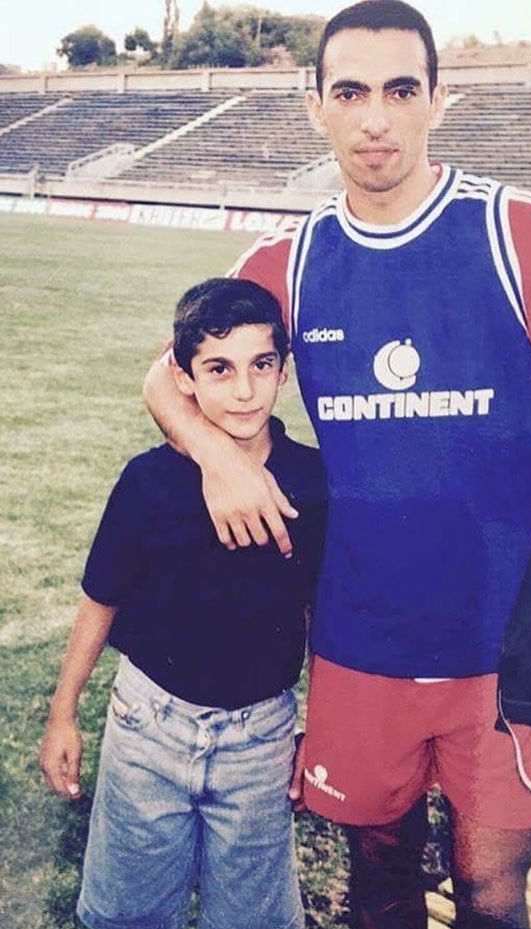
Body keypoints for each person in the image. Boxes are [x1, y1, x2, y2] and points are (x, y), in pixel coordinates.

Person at [143, 3, 531, 927]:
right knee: (377, 886)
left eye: (399, 90)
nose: (375, 117)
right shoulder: (292, 259)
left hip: (508, 646)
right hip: (359, 643)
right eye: (350, 92)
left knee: (491, 890)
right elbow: (168, 374)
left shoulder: (518, 233)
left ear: (437, 99)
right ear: (317, 107)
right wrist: (217, 458)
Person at [40, 278, 326, 929]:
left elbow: (323, 620)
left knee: (253, 917)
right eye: (219, 369)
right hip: (149, 725)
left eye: (261, 365)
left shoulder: (312, 482)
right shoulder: (149, 481)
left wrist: (324, 728)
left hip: (261, 737)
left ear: (283, 370)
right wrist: (64, 713)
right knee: (126, 911)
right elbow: (99, 597)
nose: (245, 389)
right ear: (184, 376)